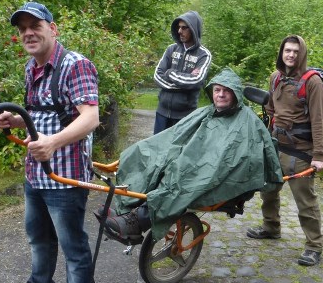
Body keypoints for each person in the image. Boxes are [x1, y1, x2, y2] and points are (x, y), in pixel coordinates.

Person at [0, 1, 100, 283]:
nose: (28, 33)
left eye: (35, 25)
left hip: (65, 175)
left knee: (74, 250)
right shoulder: (31, 68)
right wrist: (14, 120)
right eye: (22, 28)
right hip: (35, 173)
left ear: (53, 28)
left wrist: (52, 143)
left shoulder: (76, 64)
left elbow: (90, 118)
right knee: (38, 239)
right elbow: (41, 115)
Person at [101, 67, 283, 242]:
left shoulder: (247, 121)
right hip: (194, 158)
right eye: (217, 90)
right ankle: (125, 208)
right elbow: (176, 135)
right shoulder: (207, 112)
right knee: (145, 153)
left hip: (215, 171)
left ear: (235, 93)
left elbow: (243, 156)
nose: (220, 94)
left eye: (226, 91)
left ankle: (138, 220)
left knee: (180, 177)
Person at [246, 35, 323, 267]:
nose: (290, 55)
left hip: (300, 151)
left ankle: (314, 246)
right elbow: (271, 111)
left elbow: (318, 121)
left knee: (305, 201)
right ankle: (271, 227)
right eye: (287, 50)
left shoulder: (313, 83)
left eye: (295, 51)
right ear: (281, 53)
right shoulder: (275, 78)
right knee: (268, 190)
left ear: (301, 54)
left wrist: (319, 155)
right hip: (275, 145)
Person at [153, 10, 212, 134]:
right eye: (179, 27)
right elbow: (157, 76)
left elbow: (196, 80)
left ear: (194, 29)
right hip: (162, 113)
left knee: (178, 152)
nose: (180, 31)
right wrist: (184, 82)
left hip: (185, 116)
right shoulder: (171, 49)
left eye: (184, 28)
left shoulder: (204, 55)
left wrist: (169, 73)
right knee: (157, 151)